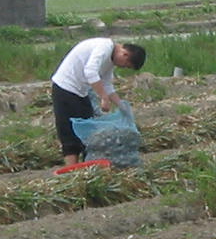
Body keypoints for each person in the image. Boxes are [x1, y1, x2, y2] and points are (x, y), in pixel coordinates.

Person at [50, 36, 146, 165]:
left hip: (81, 91)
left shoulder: (110, 60)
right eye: (126, 65)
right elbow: (90, 72)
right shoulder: (104, 47)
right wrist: (103, 97)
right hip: (65, 88)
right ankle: (72, 172)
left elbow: (106, 84)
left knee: (88, 130)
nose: (123, 67)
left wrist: (120, 104)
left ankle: (86, 167)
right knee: (69, 132)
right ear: (124, 54)